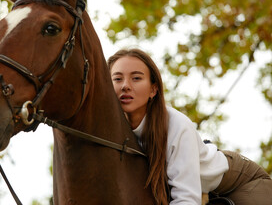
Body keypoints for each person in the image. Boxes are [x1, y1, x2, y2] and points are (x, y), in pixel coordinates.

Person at [107, 48, 272, 205]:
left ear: (153, 89)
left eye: (136, 78)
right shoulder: (110, 130)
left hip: (240, 182)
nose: (125, 86)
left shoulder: (176, 125)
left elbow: (186, 199)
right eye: (117, 79)